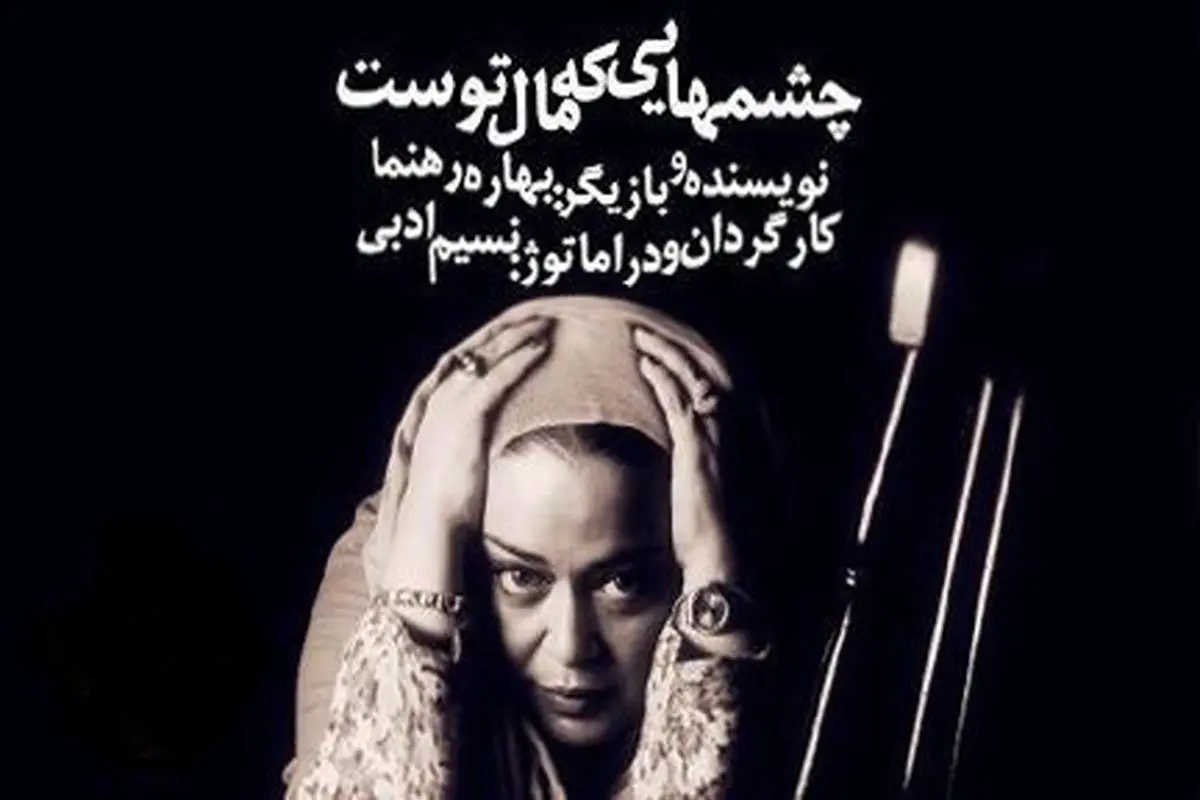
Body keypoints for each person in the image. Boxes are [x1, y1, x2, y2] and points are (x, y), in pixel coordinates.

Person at [282, 295, 787, 798]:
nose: (571, 646)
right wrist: (428, 543)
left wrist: (713, 595)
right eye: (521, 577)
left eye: (623, 582)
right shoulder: (383, 571)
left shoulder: (773, 606)